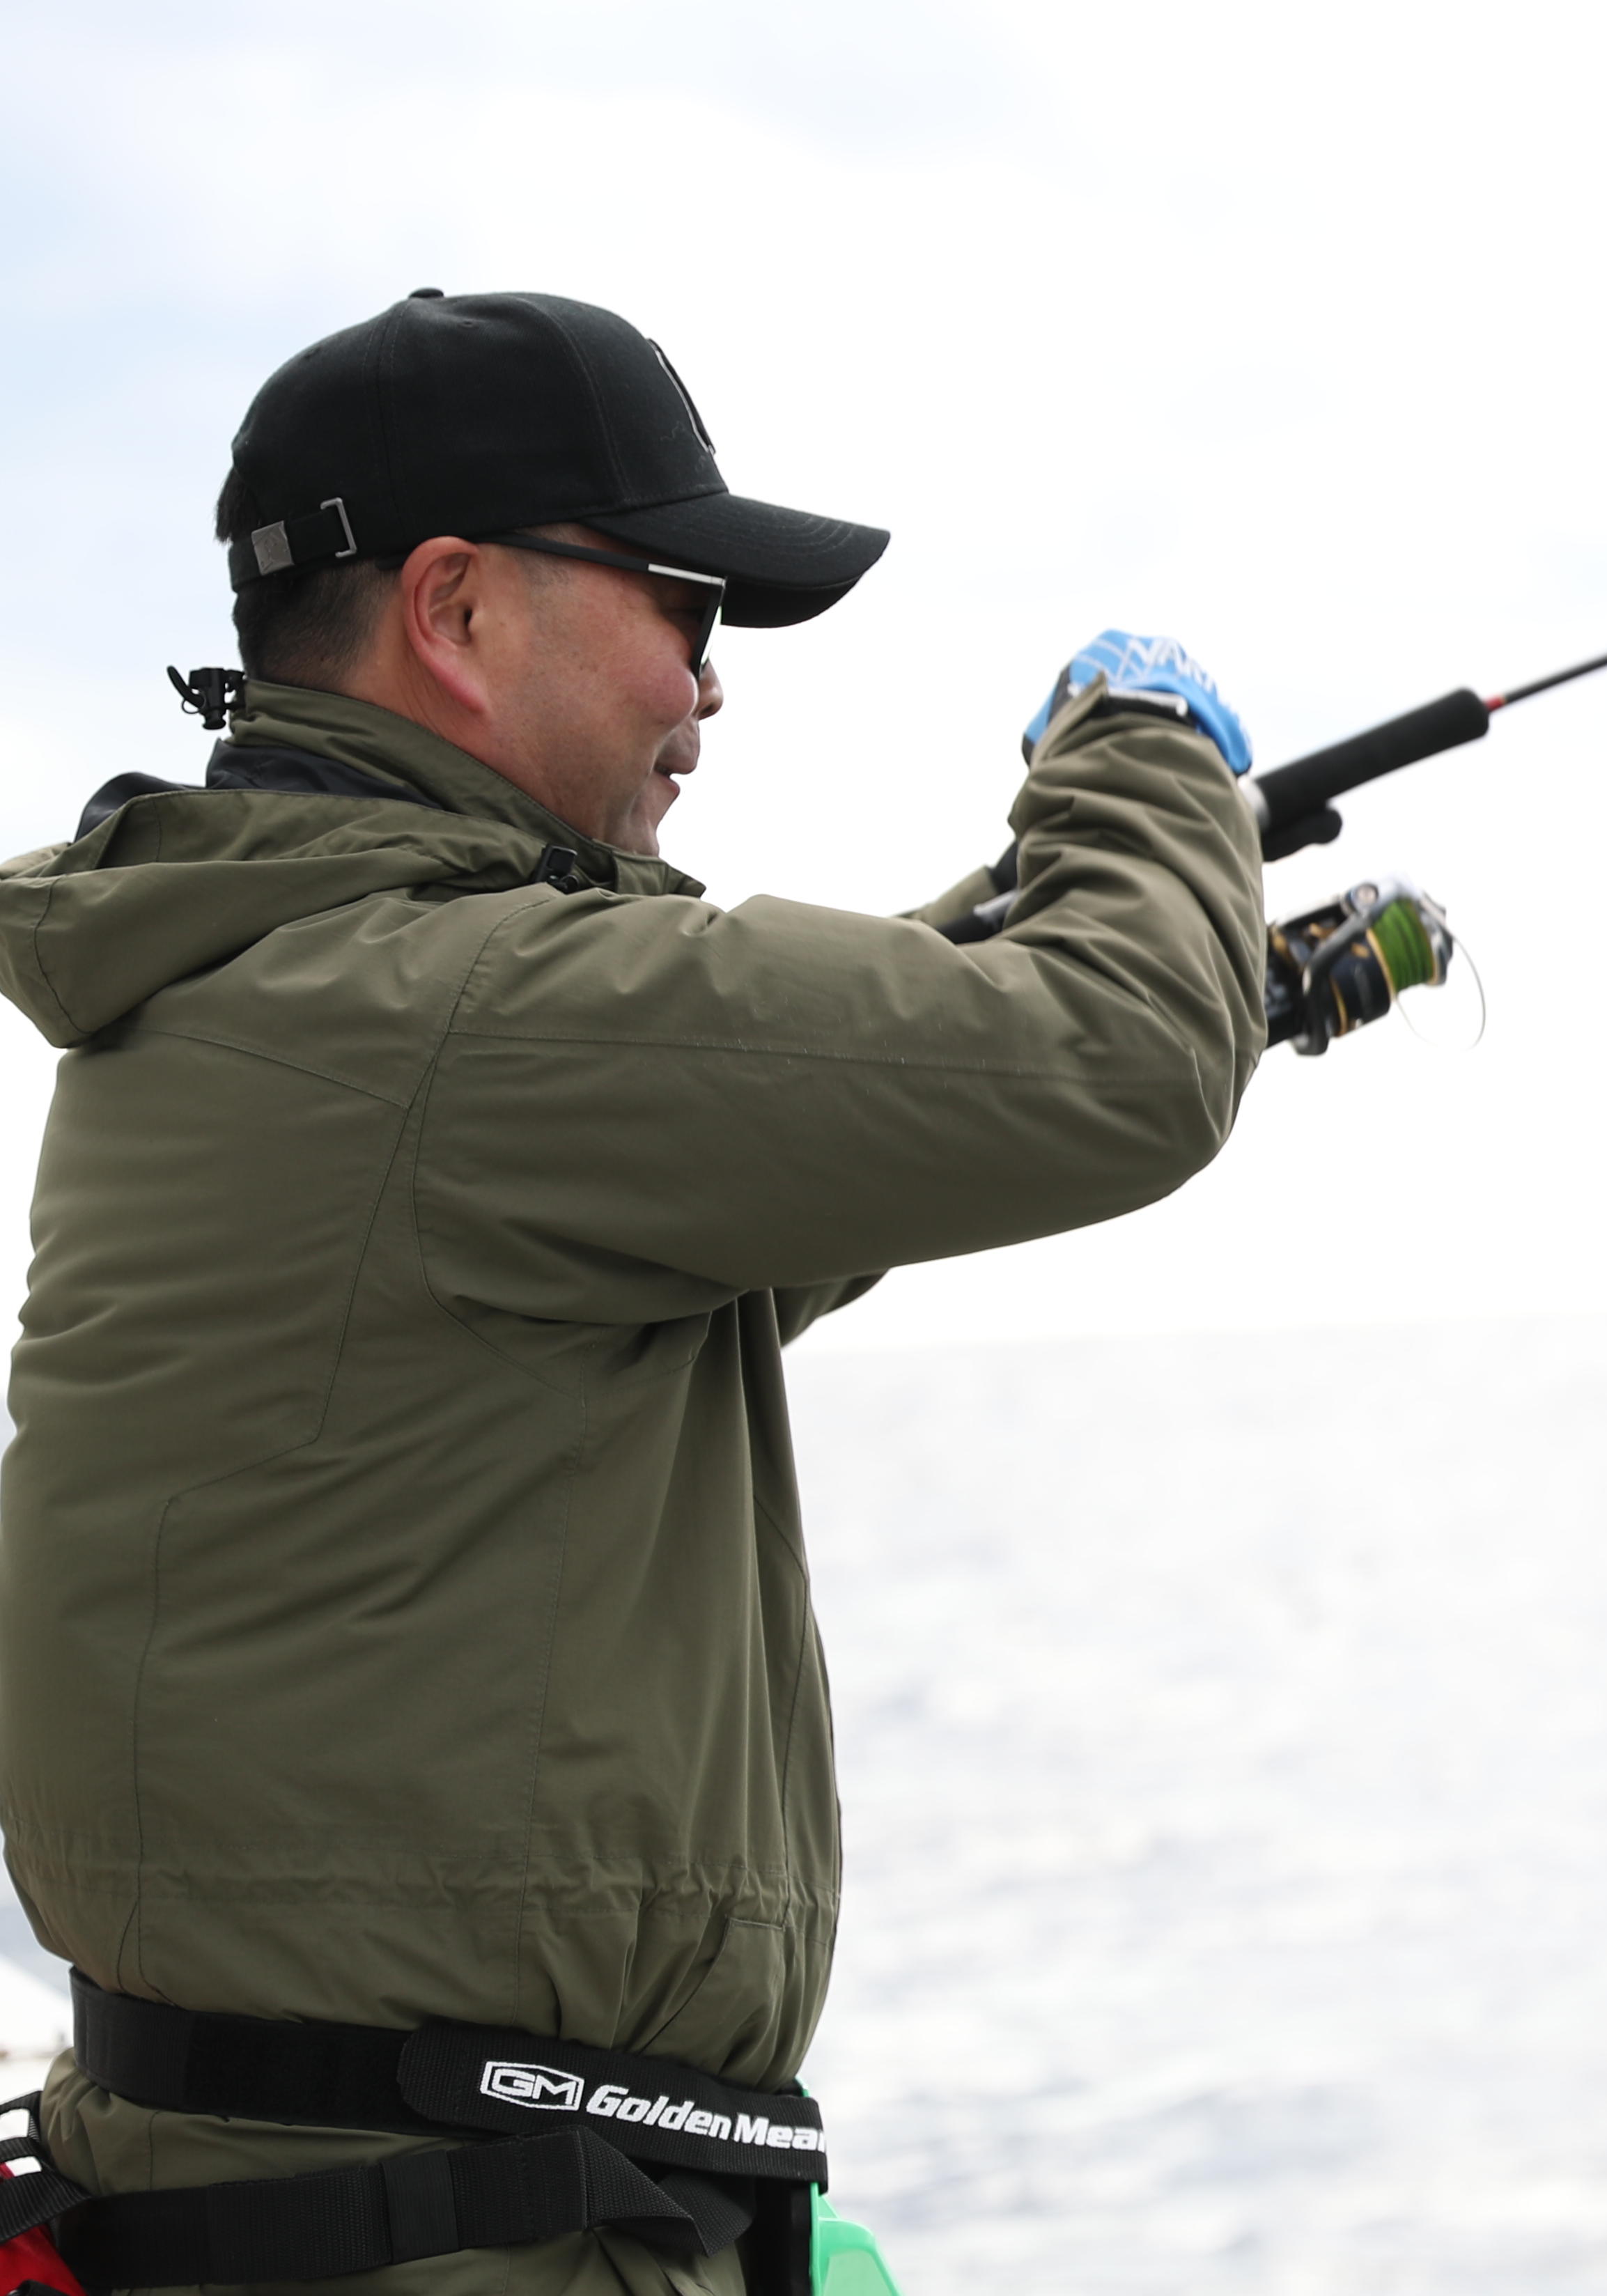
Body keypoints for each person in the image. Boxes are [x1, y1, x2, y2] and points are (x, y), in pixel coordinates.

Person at [0, 289, 1270, 2294]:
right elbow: (1111, 1058)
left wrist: (1228, 974)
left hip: (301, 2197)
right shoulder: (459, 1010)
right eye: (683, 600)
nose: (712, 682)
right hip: (462, 2244)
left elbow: (774, 1145)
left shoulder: (281, 982)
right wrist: (1148, 758)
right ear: (457, 607)